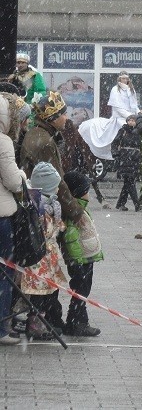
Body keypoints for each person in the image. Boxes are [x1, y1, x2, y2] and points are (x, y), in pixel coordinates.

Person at [20, 91, 86, 225]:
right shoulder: (44, 142)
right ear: (53, 118)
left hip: (35, 202)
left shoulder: (38, 134)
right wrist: (76, 212)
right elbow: (56, 181)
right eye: (63, 114)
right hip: (41, 206)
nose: (67, 118)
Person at [24, 162, 69, 339]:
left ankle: (39, 321)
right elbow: (48, 230)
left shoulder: (41, 203)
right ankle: (36, 324)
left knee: (43, 293)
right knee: (39, 294)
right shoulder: (43, 208)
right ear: (49, 187)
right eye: (56, 186)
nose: (58, 190)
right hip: (41, 260)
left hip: (45, 259)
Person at [61, 171, 104, 337]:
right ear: (79, 192)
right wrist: (77, 261)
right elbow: (71, 239)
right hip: (81, 260)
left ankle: (77, 321)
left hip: (86, 258)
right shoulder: (75, 212)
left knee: (82, 291)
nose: (89, 194)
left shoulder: (80, 208)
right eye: (86, 190)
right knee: (80, 291)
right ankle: (77, 323)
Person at [0, 93, 28, 345]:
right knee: (5, 274)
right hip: (1, 217)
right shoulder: (3, 142)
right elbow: (12, 181)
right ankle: (1, 328)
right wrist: (21, 176)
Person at [78, 71, 142, 162]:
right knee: (124, 128)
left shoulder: (131, 90)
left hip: (132, 116)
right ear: (120, 79)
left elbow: (134, 106)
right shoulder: (115, 90)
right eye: (123, 78)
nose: (125, 80)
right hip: (120, 117)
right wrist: (131, 116)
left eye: (126, 78)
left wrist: (139, 114)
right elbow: (117, 108)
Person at [111, 114, 142, 211]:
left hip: (135, 161)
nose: (131, 122)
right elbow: (115, 143)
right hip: (125, 160)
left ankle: (120, 204)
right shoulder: (123, 131)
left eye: (133, 120)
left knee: (128, 183)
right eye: (129, 120)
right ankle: (137, 205)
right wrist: (116, 155)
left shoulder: (139, 132)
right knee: (130, 182)